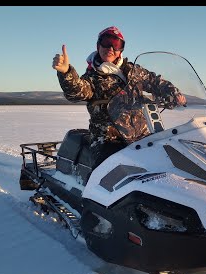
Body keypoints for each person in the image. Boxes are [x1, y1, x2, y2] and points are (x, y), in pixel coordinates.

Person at [52, 25, 186, 168]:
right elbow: (77, 91)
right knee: (107, 172)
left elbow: (155, 81)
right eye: (106, 42)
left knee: (167, 163)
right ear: (98, 46)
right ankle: (94, 190)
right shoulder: (92, 77)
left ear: (120, 49)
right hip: (108, 138)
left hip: (142, 135)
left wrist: (173, 93)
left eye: (116, 44)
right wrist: (66, 73)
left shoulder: (134, 71)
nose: (110, 48)